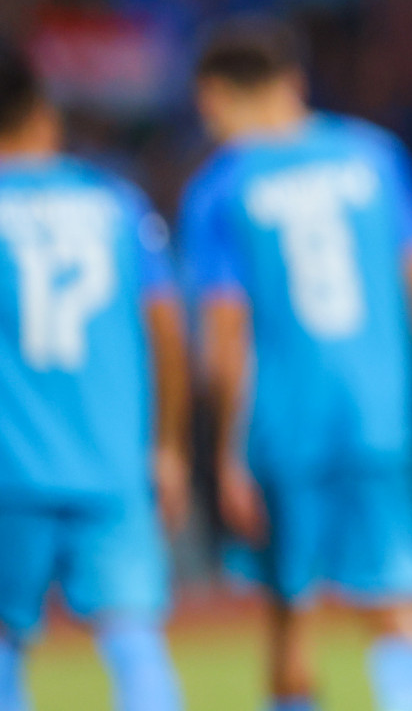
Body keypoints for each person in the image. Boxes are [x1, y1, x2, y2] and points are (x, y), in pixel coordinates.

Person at [179, 23, 412, 711]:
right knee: (393, 600)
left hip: (281, 427)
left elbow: (224, 336)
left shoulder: (220, 188)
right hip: (377, 416)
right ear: (293, 83)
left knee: (289, 612)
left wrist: (225, 451)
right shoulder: (373, 156)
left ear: (213, 97)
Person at [0, 44, 189, 711]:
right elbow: (167, 334)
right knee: (134, 639)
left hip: (9, 472)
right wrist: (167, 446)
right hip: (112, 465)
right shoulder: (115, 203)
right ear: (42, 112)